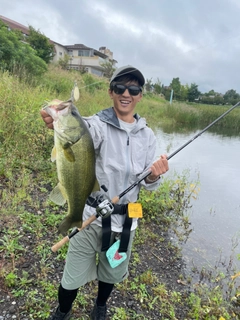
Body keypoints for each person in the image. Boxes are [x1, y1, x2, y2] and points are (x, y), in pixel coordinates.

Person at [40, 65, 169, 320]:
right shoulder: (98, 124)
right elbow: (82, 129)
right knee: (71, 278)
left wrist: (154, 175)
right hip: (90, 217)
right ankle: (63, 311)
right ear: (111, 92)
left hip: (125, 223)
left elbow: (149, 183)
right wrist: (57, 118)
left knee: (111, 274)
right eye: (120, 87)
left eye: (133, 89)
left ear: (140, 95)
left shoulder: (149, 136)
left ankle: (100, 306)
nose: (126, 93)